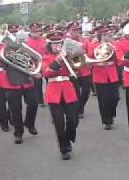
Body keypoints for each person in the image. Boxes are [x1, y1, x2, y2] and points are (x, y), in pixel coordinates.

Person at [42, 31, 79, 160]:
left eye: (59, 43)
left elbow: (79, 66)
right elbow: (46, 73)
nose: (57, 46)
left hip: (68, 89)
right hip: (54, 92)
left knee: (73, 120)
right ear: (49, 45)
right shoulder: (46, 57)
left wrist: (73, 58)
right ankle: (64, 149)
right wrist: (58, 61)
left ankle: (68, 138)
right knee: (58, 123)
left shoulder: (68, 55)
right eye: (54, 44)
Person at [87, 25, 120, 130]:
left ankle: (111, 113)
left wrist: (114, 49)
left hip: (112, 73)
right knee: (103, 99)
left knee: (115, 97)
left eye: (108, 34)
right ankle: (107, 121)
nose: (108, 36)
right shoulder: (93, 45)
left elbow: (118, 58)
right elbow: (90, 56)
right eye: (105, 35)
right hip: (99, 74)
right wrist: (99, 47)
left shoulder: (113, 44)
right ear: (101, 35)